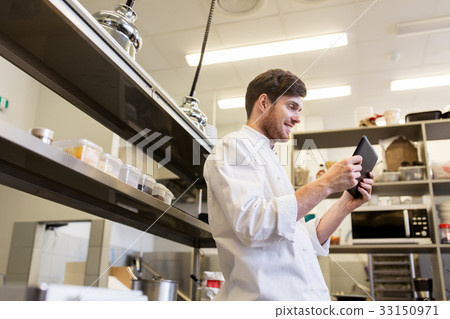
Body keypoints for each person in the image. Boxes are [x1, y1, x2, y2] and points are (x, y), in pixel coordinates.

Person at [203, 68, 374, 301]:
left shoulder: (269, 157)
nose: (297, 118)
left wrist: (345, 203)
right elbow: (252, 224)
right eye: (291, 106)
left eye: (299, 110)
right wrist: (325, 184)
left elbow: (300, 238)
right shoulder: (233, 147)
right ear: (264, 102)